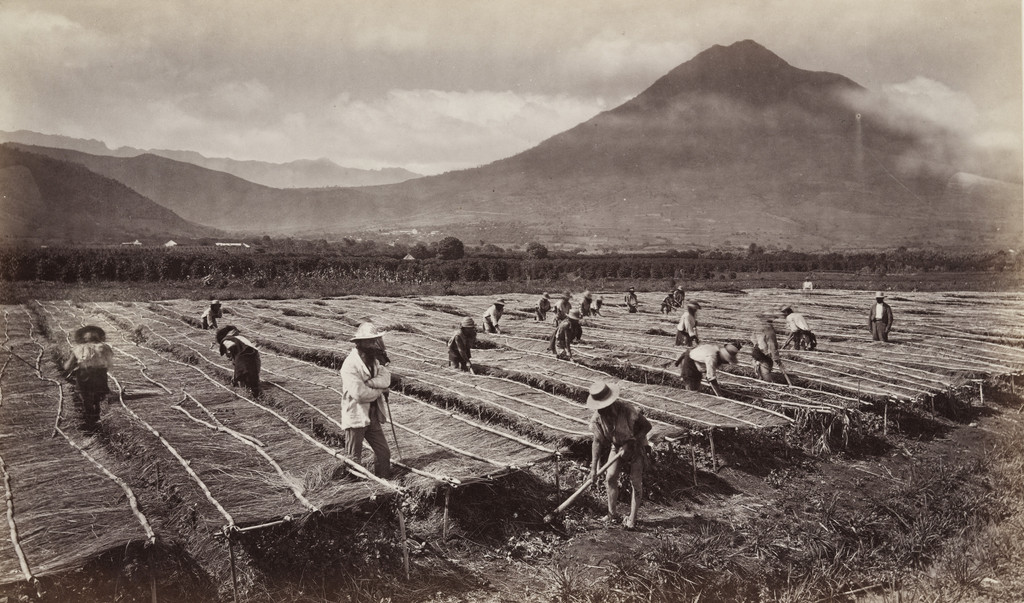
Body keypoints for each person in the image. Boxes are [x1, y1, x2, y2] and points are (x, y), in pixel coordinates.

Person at [587, 381, 652, 530]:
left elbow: (647, 426)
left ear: (610, 403)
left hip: (637, 446)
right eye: (598, 407)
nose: (600, 410)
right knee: (610, 477)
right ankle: (612, 515)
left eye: (603, 407)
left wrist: (633, 440)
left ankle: (632, 519)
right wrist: (593, 469)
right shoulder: (597, 419)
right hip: (616, 447)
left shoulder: (627, 410)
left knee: (635, 482)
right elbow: (597, 442)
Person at [340, 323, 393, 478]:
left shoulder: (374, 361)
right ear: (359, 343)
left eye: (374, 340)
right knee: (353, 459)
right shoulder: (350, 365)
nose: (372, 344)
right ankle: (353, 487)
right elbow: (360, 394)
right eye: (369, 341)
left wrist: (370, 384)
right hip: (356, 415)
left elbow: (386, 377)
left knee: (383, 453)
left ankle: (383, 480)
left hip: (373, 414)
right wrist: (379, 390)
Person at [64, 325, 114, 433]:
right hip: (100, 375)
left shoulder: (78, 349)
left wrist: (69, 368)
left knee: (86, 398)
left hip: (84, 375)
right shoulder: (105, 347)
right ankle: (96, 416)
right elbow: (109, 362)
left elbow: (67, 366)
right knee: (97, 397)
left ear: (83, 337)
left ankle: (90, 420)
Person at [673, 342, 741, 394]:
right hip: (690, 362)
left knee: (697, 382)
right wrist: (719, 394)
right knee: (692, 387)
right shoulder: (712, 357)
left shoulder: (716, 349)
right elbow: (711, 378)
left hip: (695, 360)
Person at [216, 326, 262, 396]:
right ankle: (253, 390)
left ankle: (246, 391)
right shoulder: (240, 338)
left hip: (244, 356)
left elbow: (231, 346)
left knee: (242, 374)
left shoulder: (226, 340)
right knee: (252, 373)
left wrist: (231, 353)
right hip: (253, 355)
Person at [751, 314, 783, 382]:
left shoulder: (758, 328)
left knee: (758, 369)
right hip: (763, 354)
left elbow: (753, 338)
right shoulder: (770, 331)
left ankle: (760, 379)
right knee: (766, 370)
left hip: (756, 352)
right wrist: (776, 358)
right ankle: (766, 382)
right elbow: (772, 345)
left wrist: (756, 345)